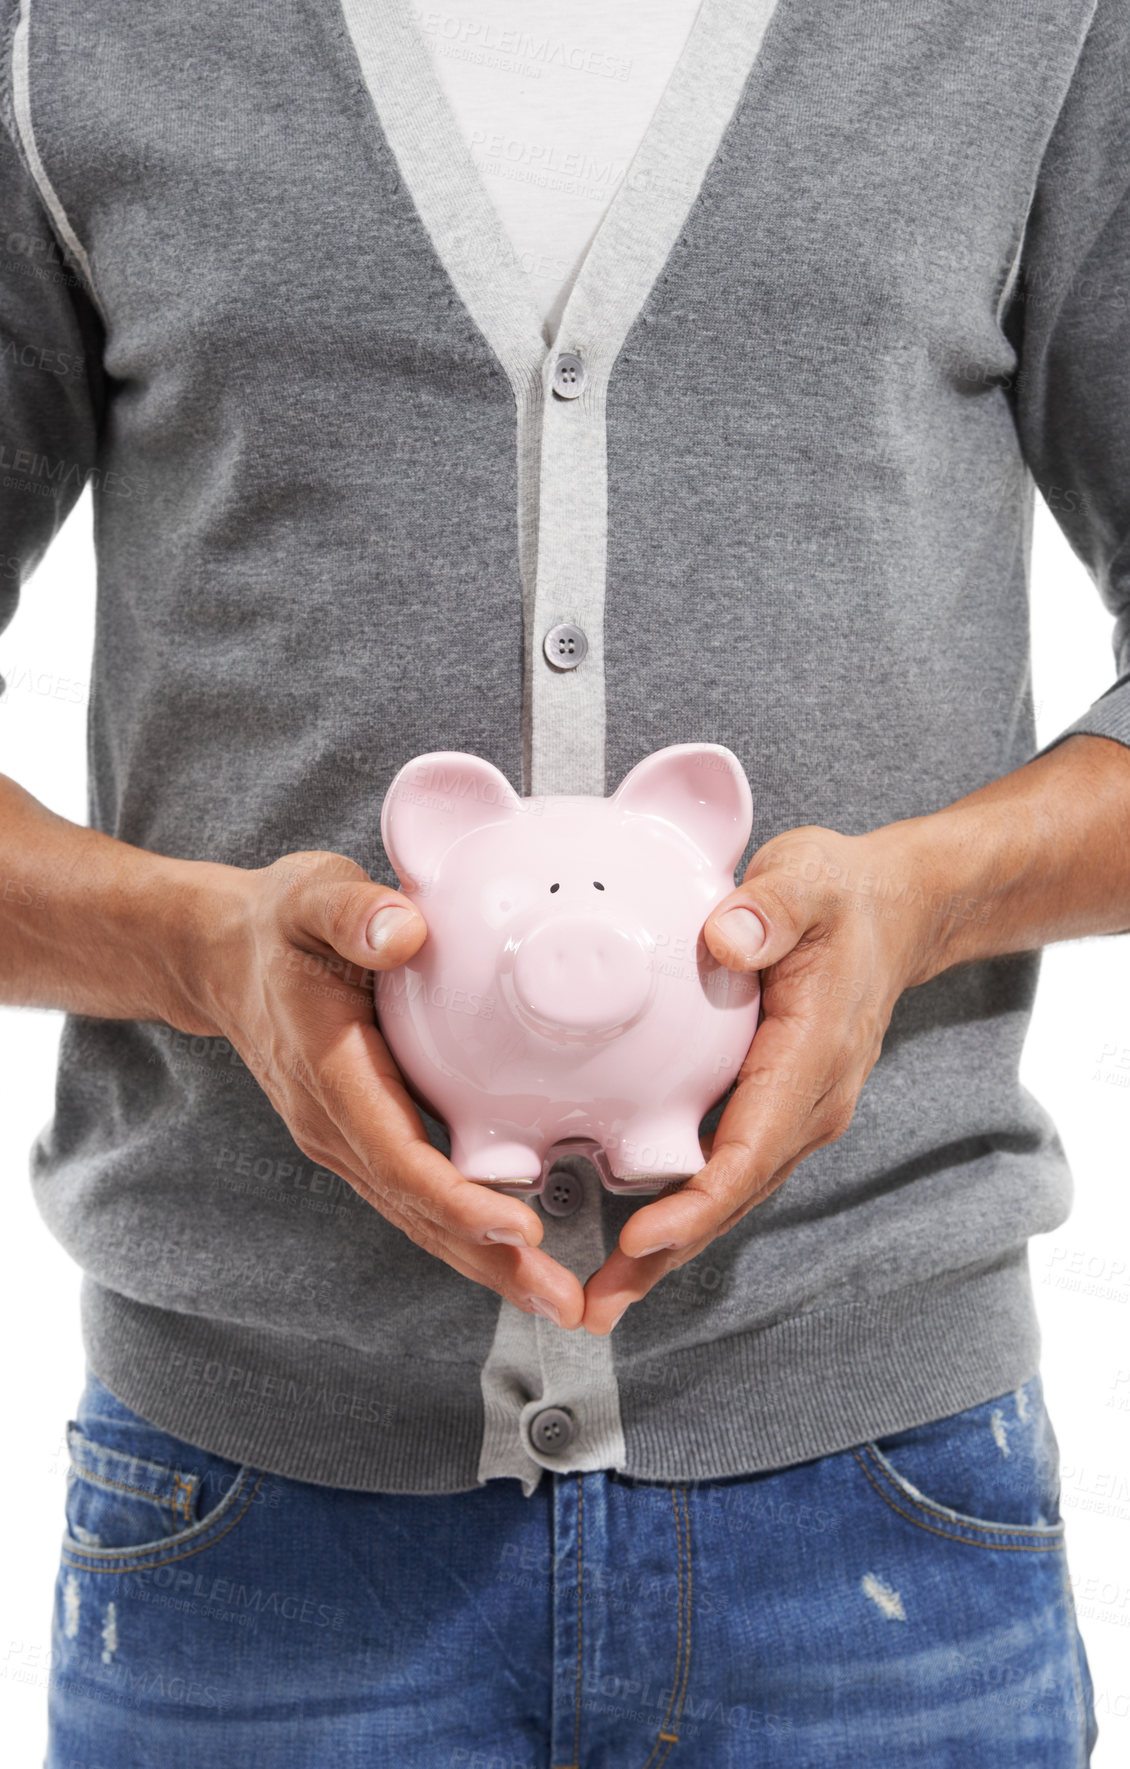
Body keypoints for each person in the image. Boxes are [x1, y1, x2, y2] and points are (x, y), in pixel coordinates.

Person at [1, 0, 1124, 1761]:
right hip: (245, 1511)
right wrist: (189, 948)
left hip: (887, 1491)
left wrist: (935, 895)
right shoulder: (73, 38)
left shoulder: (1031, 32)